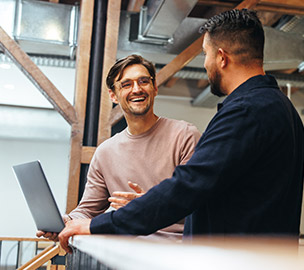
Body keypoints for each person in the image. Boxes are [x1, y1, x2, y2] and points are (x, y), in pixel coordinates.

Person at [59, 9, 304, 253]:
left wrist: (103, 223)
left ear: (222, 57)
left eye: (206, 54)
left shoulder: (245, 112)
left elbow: (187, 188)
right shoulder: (282, 108)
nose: (206, 63)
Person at [38, 54, 201, 240]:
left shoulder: (185, 135)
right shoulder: (105, 152)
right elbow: (88, 210)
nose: (137, 89)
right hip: (121, 253)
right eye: (126, 84)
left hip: (174, 252)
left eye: (144, 81)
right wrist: (67, 222)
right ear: (113, 95)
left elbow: (198, 201)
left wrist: (153, 205)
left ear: (155, 88)